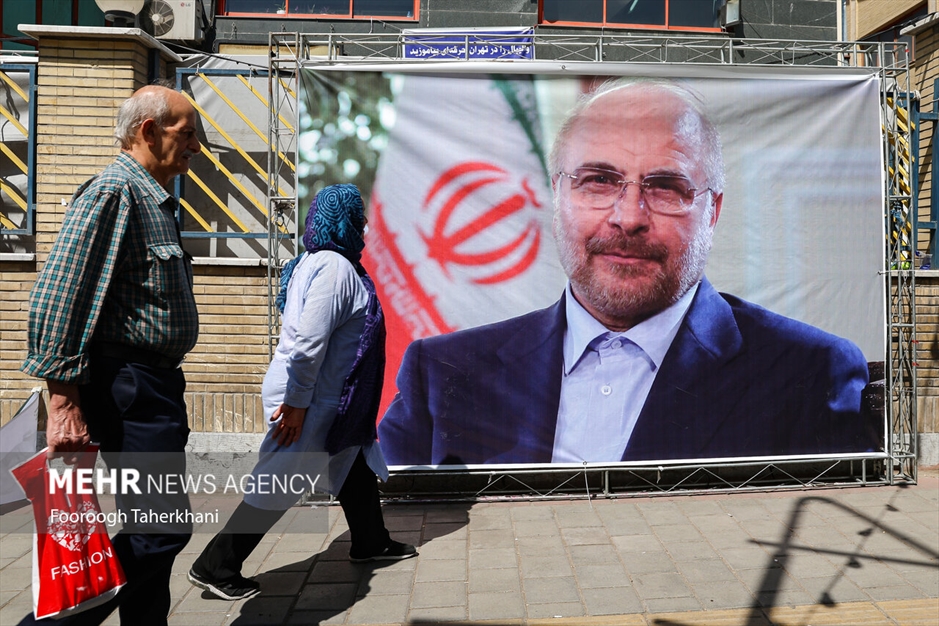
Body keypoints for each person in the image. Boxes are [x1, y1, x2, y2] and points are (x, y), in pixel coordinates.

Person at [378, 78, 880, 466]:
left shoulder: (811, 375)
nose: (629, 216)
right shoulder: (441, 375)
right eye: (598, 180)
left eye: (666, 187)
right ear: (557, 195)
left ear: (712, 211)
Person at [19, 84, 202, 624]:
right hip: (128, 386)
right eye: (187, 134)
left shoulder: (154, 198)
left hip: (151, 386)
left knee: (152, 531)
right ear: (149, 131)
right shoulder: (115, 193)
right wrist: (63, 403)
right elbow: (58, 296)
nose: (196, 147)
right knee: (161, 529)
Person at [187, 184, 416, 602]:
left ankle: (371, 540)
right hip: (309, 395)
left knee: (351, 459)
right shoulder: (334, 268)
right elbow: (309, 343)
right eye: (359, 216)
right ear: (343, 222)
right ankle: (215, 565)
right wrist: (296, 404)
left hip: (321, 394)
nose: (365, 223)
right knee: (279, 480)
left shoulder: (317, 260)